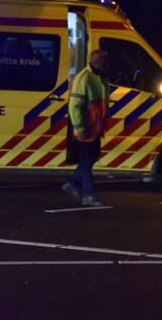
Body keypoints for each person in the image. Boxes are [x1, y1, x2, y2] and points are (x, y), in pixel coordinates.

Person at [62, 49, 110, 206]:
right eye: (104, 62)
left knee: (91, 157)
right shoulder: (85, 78)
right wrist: (79, 128)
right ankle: (89, 196)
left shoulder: (99, 77)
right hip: (86, 128)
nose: (107, 65)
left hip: (95, 127)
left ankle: (71, 182)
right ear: (97, 62)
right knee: (87, 159)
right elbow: (75, 106)